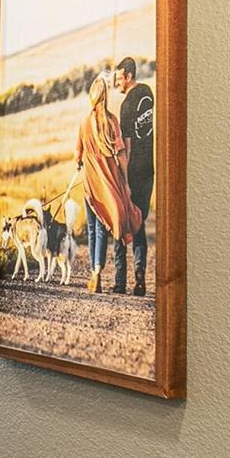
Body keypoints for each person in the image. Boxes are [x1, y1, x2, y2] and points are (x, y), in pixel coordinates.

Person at [75, 74, 140, 293]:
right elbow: (121, 155)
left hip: (89, 183)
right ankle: (97, 272)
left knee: (93, 229)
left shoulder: (84, 122)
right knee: (104, 227)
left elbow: (78, 153)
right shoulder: (112, 121)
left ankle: (95, 276)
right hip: (109, 183)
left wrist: (79, 164)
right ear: (105, 97)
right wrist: (126, 181)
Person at [113, 56, 155, 296]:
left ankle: (121, 282)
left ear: (127, 76)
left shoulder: (126, 105)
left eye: (119, 78)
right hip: (149, 169)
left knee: (126, 220)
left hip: (134, 171)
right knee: (141, 223)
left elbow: (126, 147)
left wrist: (125, 181)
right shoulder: (148, 93)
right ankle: (140, 276)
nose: (117, 83)